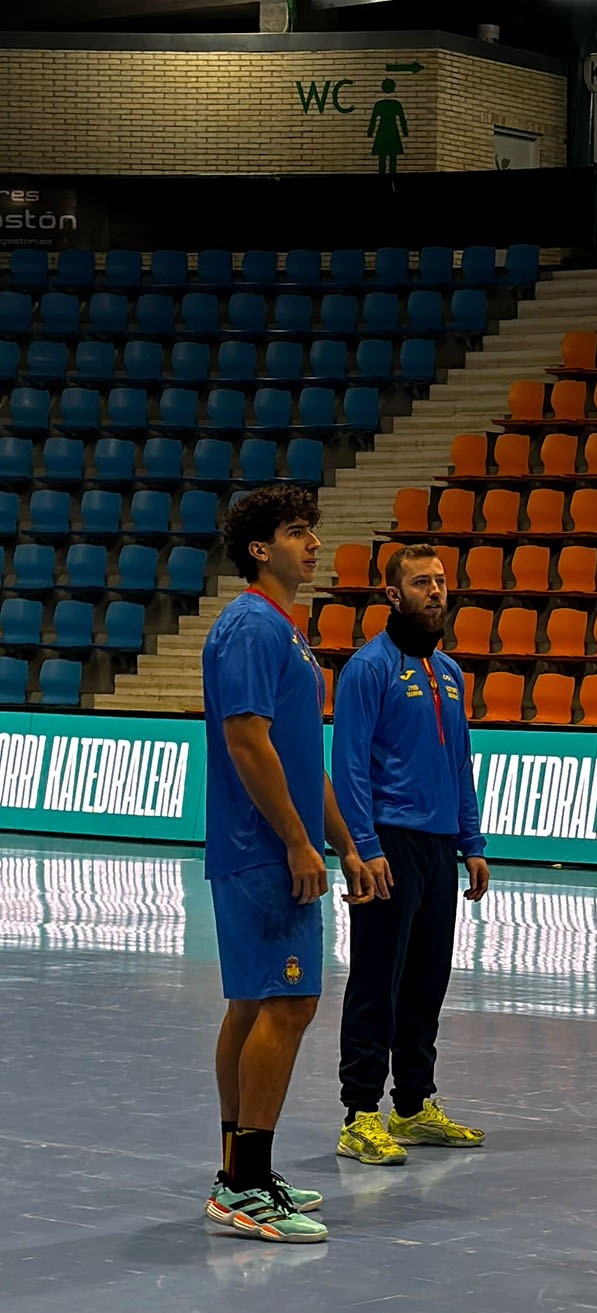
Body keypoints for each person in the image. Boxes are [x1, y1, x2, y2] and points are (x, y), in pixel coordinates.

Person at [203, 484, 372, 1243]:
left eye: (312, 530)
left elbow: (304, 758)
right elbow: (248, 743)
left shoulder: (284, 632)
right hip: (262, 850)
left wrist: (342, 838)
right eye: (299, 532)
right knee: (286, 1005)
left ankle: (241, 1173)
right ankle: (242, 1190)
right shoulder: (250, 626)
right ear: (261, 549)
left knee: (254, 1004)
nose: (313, 543)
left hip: (280, 845)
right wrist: (299, 843)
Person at [330, 543, 492, 1167]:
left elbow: (459, 765)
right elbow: (348, 769)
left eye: (441, 581)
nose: (436, 591)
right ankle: (360, 1113)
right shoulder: (368, 669)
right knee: (378, 979)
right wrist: (363, 848)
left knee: (427, 981)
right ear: (393, 595)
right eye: (421, 582)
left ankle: (414, 1105)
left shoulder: (448, 673)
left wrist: (471, 842)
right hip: (387, 844)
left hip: (437, 849)